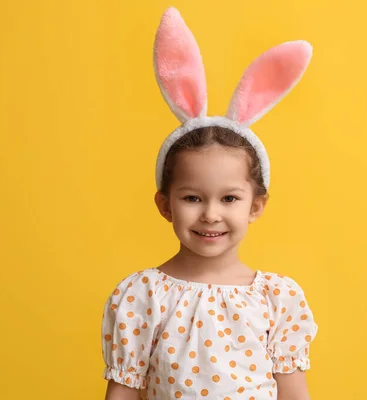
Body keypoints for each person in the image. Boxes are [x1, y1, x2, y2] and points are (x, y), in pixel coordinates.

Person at [102, 7, 318, 400]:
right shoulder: (142, 296)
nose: (211, 214)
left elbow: (294, 394)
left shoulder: (277, 298)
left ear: (255, 206)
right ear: (165, 205)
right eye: (192, 198)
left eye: (230, 198)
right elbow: (123, 391)